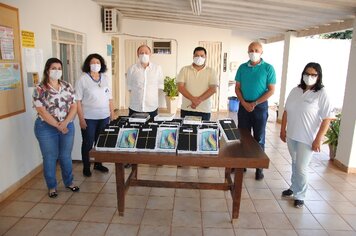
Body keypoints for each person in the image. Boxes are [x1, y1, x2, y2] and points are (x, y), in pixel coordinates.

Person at [280, 62, 333, 208]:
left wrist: (318, 139)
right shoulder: (295, 90)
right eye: (307, 73)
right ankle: (293, 186)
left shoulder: (321, 94)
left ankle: (300, 195)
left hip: (307, 138)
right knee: (295, 162)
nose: (309, 77)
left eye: (313, 74)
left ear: (318, 76)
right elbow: (286, 111)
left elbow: (326, 119)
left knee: (302, 167)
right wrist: (282, 129)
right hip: (292, 134)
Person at [33, 58, 79, 198]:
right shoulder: (40, 88)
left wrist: (65, 123)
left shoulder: (67, 86)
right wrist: (58, 125)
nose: (57, 71)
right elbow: (42, 111)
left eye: (59, 68)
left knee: (65, 156)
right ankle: (52, 187)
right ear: (47, 70)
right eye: (54, 68)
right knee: (50, 157)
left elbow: (74, 106)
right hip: (46, 127)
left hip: (67, 126)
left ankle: (69, 182)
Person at [235, 41, 276, 180]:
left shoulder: (268, 68)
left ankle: (259, 168)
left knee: (259, 137)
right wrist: (244, 102)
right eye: (251, 50)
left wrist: (255, 103)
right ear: (247, 51)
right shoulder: (242, 68)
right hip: (244, 105)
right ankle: (242, 165)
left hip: (260, 107)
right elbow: (237, 88)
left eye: (256, 50)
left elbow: (271, 90)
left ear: (261, 52)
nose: (253, 52)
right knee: (243, 136)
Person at [75, 53, 114, 177]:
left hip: (104, 116)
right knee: (88, 142)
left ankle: (98, 164)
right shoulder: (82, 79)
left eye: (98, 62)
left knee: (100, 142)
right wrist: (81, 119)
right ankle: (86, 166)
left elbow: (110, 98)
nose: (95, 65)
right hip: (89, 118)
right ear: (88, 64)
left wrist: (112, 114)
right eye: (93, 62)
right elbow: (78, 101)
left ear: (101, 64)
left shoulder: (105, 78)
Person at [177, 46, 218, 121]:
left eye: (202, 56)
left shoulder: (211, 71)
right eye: (197, 55)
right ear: (193, 56)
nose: (199, 57)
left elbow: (213, 89)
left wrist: (198, 100)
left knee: (203, 131)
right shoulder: (184, 69)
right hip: (187, 108)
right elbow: (180, 87)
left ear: (206, 57)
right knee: (186, 132)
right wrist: (193, 99)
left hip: (204, 110)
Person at [127, 45, 164, 118]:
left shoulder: (157, 68)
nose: (144, 54)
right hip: (135, 107)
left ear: (150, 54)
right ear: (137, 55)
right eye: (141, 53)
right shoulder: (132, 69)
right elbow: (130, 87)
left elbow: (160, 86)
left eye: (146, 52)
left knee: (151, 128)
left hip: (151, 107)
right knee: (134, 128)